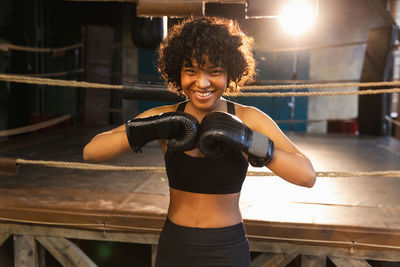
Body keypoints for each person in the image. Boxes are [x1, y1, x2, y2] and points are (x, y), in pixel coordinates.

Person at [83, 16, 316, 267]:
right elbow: (91, 152)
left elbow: (307, 175)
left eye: (214, 72)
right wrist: (152, 128)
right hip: (175, 246)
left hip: (226, 248)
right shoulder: (167, 116)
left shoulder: (249, 119)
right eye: (191, 71)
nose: (202, 83)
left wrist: (251, 141)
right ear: (177, 72)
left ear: (230, 73)